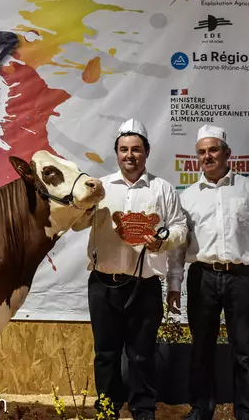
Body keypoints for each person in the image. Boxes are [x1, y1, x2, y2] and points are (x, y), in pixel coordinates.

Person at [72, 119, 188, 420]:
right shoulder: (98, 188)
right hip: (103, 282)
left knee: (142, 352)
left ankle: (143, 409)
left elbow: (179, 228)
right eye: (124, 149)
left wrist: (161, 241)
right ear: (117, 153)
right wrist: (84, 207)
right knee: (106, 353)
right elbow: (76, 224)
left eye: (136, 149)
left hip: (144, 284)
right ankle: (107, 409)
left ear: (146, 153)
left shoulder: (162, 189)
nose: (129, 155)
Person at [167, 124, 249, 420]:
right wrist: (173, 285)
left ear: (227, 153)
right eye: (202, 152)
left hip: (243, 279)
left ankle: (245, 411)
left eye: (213, 149)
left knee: (244, 351)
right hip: (202, 277)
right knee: (201, 348)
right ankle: (201, 407)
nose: (207, 156)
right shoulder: (188, 196)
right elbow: (178, 249)